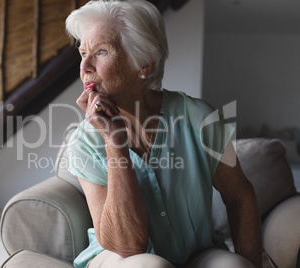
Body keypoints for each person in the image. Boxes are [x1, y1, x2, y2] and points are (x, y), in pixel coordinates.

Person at [65, 1, 262, 267]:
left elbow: (239, 195)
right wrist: (114, 142)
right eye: (83, 53)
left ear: (144, 63)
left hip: (196, 252)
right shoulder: (84, 141)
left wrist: (251, 262)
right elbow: (127, 245)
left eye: (101, 52)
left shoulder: (201, 118)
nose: (85, 66)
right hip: (118, 257)